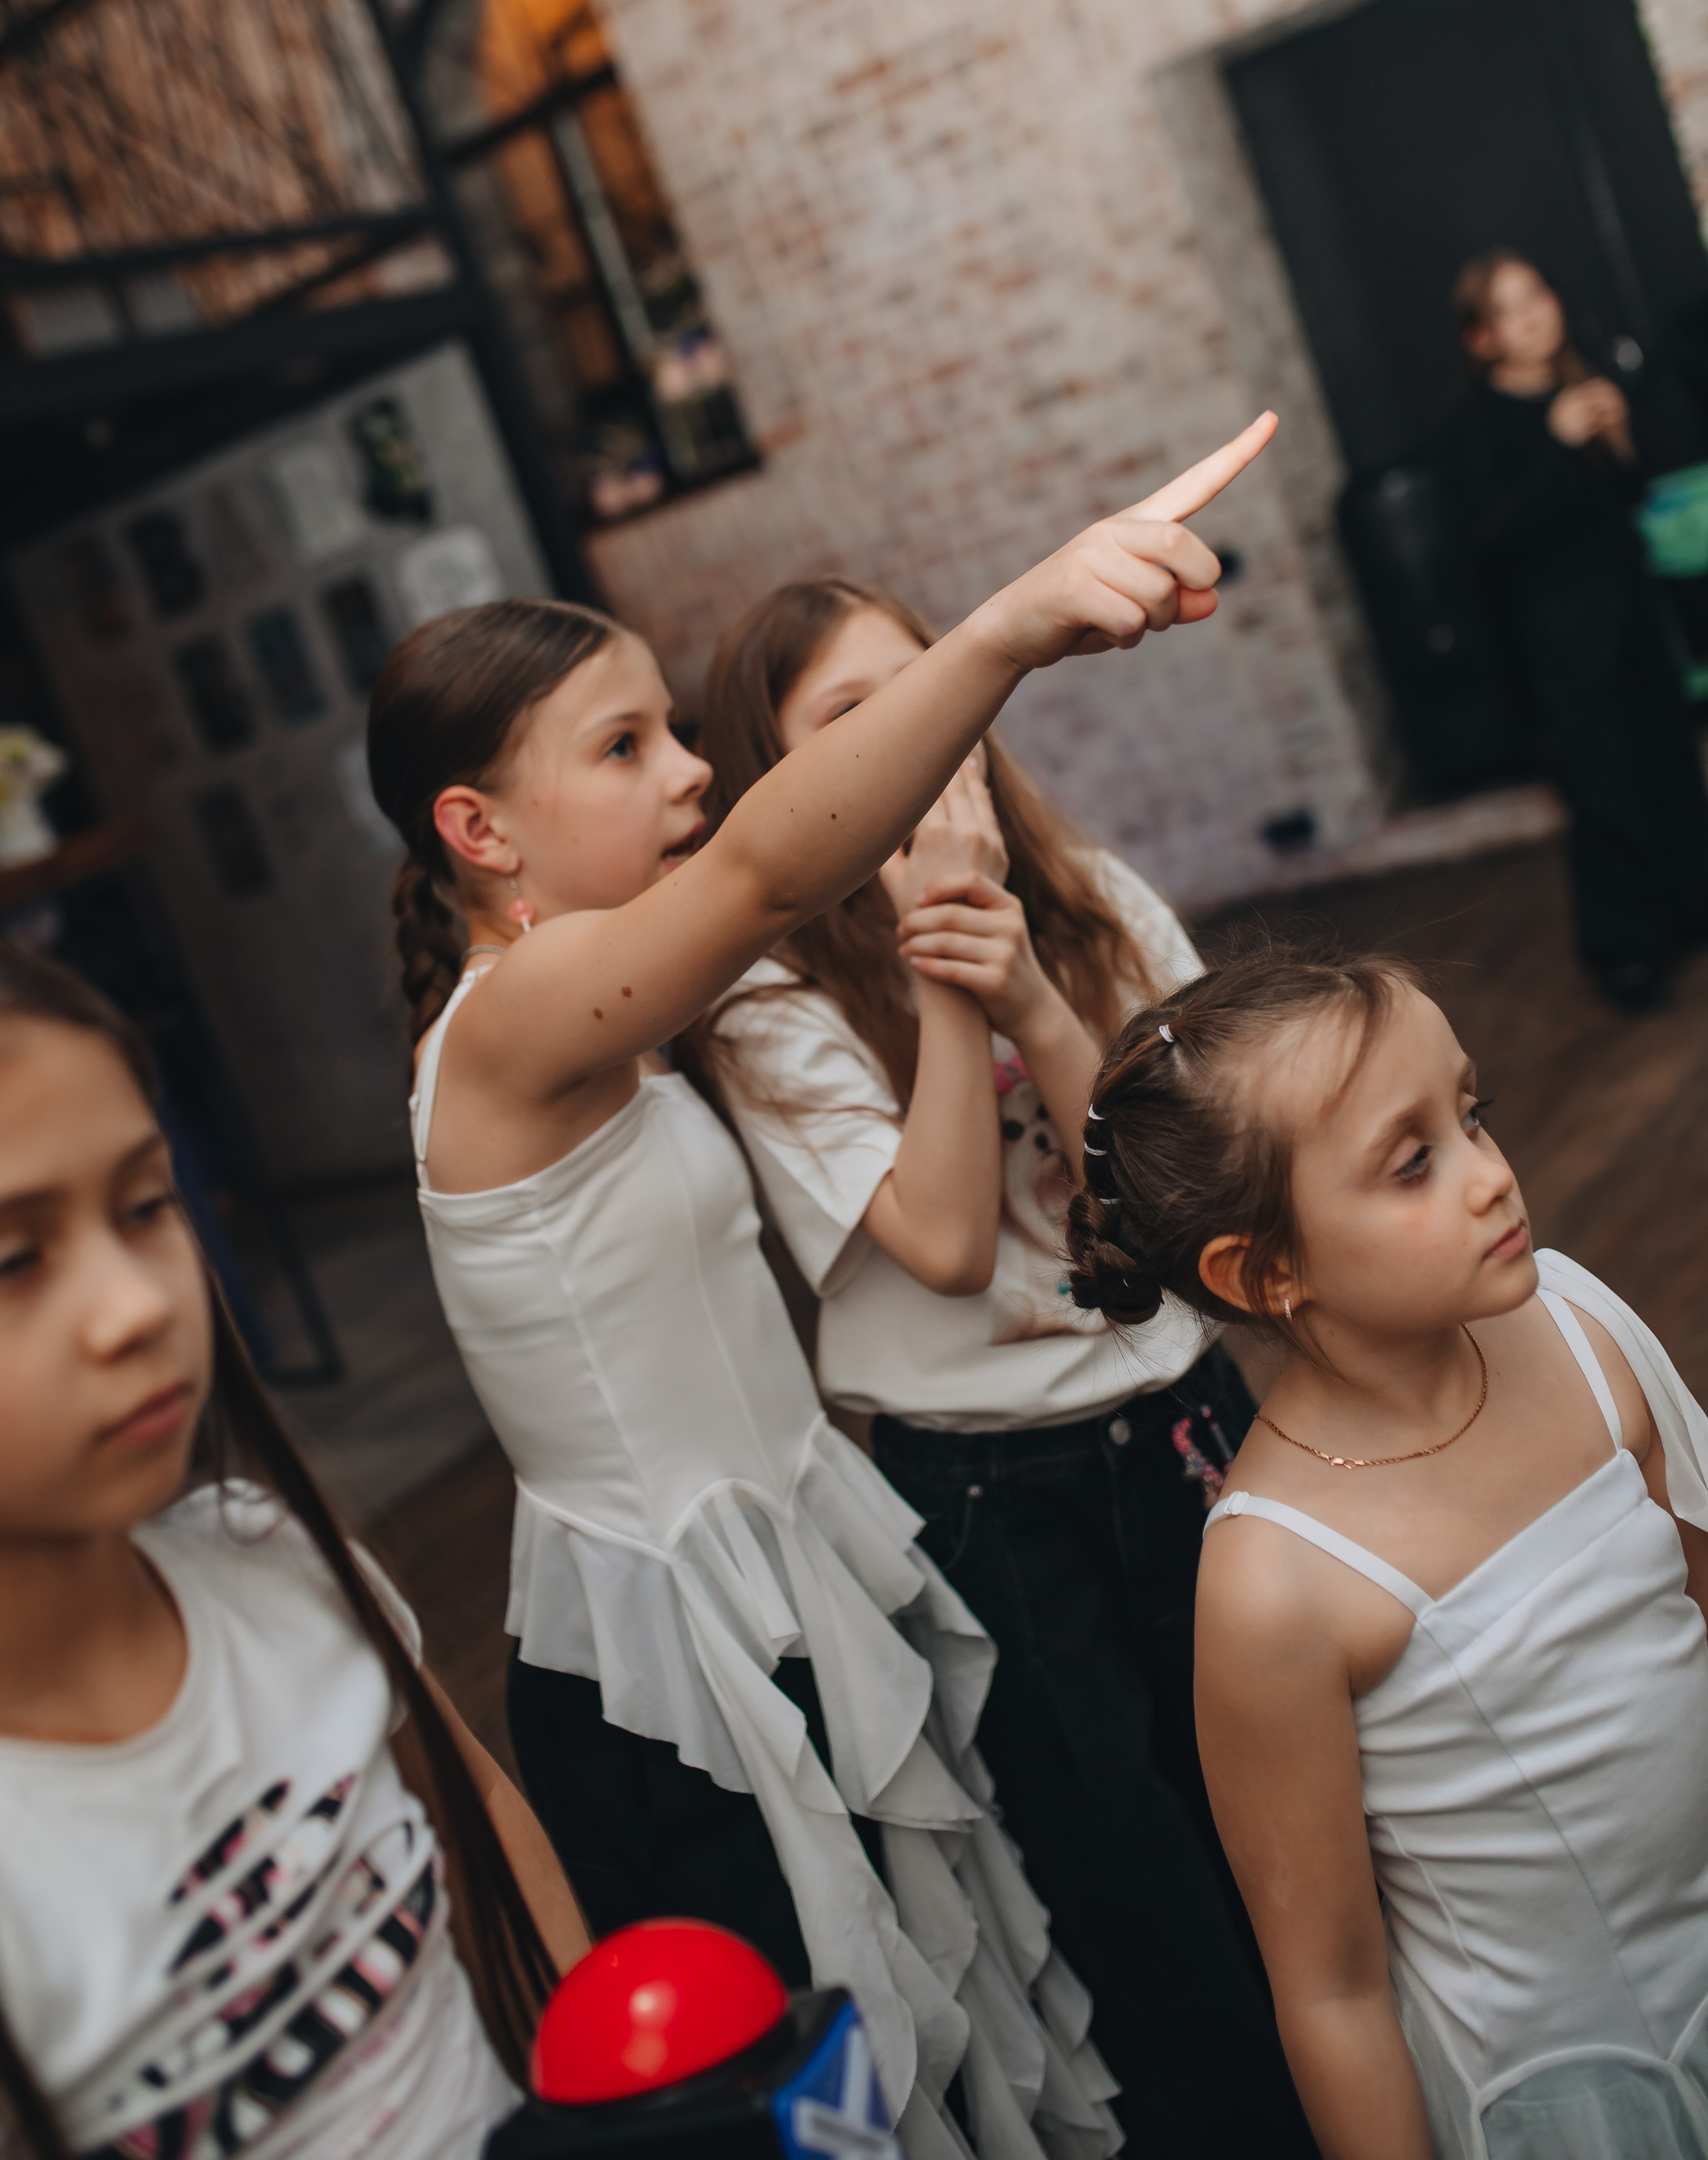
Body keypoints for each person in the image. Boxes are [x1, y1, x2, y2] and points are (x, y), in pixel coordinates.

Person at [364, 414, 1274, 2160]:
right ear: (478, 827)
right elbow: (785, 865)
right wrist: (1010, 631)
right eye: (631, 748)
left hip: (799, 1570)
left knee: (954, 2029)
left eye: (682, 740)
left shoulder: (611, 1014)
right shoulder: (509, 1025)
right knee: (827, 2086)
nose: (692, 777)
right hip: (678, 1655)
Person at [685, 575, 1314, 2155]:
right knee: (1132, 1885)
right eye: (853, 720)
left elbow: (1189, 1203)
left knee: (1291, 1820)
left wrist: (1032, 978)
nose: (920, 737)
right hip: (984, 1485)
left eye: (935, 688)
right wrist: (942, 978)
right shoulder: (768, 1002)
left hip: (1175, 1419)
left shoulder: (1089, 890)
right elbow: (950, 1243)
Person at [1065, 940, 1708, 2159]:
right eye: (1414, 1163)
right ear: (1268, 1271)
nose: (1489, 1176)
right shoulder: (1276, 1580)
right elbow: (1333, 1990)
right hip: (1579, 2089)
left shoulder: (1578, 1324)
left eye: (1474, 1115)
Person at [0, 943, 586, 2160]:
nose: (139, 1306)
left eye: (145, 1205)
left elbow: (472, 1795)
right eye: (15, 1259)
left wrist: (614, 2102)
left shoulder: (273, 1560)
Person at [1436, 249, 1708, 1008]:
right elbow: (1490, 538)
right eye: (1509, 307)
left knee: (1667, 760)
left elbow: (1623, 501)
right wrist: (1557, 442)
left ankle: (1690, 909)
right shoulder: (1474, 424)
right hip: (1558, 638)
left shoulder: (1581, 385)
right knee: (1605, 790)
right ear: (1482, 338)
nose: (1534, 313)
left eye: (1538, 294)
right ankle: (1627, 952)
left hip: (1633, 615)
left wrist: (1618, 444)